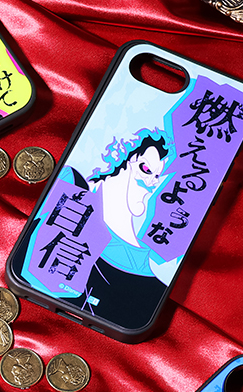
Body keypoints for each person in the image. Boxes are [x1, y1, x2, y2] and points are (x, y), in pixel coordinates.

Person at [68, 132, 178, 326]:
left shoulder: (150, 283)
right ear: (119, 159)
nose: (152, 182)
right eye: (146, 169)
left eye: (158, 177)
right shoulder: (70, 188)